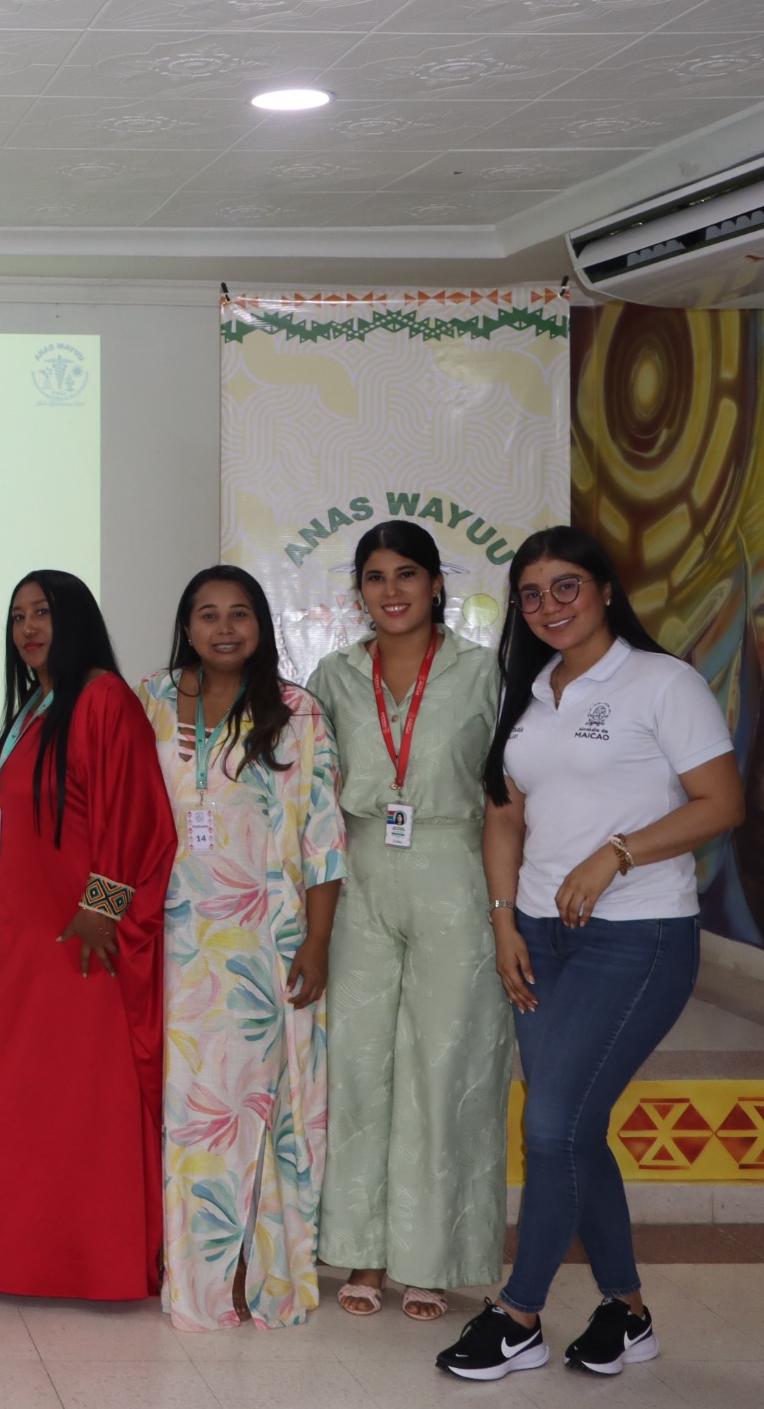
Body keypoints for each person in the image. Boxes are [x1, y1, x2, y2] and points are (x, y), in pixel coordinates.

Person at [437, 526, 743, 1383]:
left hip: (637, 938)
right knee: (572, 1127)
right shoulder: (530, 692)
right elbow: (504, 816)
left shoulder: (663, 682)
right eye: (532, 594)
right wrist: (504, 920)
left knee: (550, 1125)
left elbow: (721, 802)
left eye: (566, 586)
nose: (550, 606)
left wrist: (618, 854)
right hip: (539, 938)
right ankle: (627, 1311)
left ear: (606, 589)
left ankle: (518, 1315)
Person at [313, 521, 512, 1323]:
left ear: (435, 583)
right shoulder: (332, 677)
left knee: (442, 1066)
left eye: (406, 574)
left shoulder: (482, 673)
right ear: (357, 592)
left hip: (453, 869)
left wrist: (509, 909)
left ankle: (430, 1259)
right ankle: (360, 1251)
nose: (390, 591)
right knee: (358, 1065)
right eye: (374, 577)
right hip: (359, 870)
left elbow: (509, 796)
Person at [0, 569, 174, 1301]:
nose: (28, 627)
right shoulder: (32, 706)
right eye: (18, 616)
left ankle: (92, 1261)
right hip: (22, 935)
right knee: (19, 1099)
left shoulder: (104, 698)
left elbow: (138, 813)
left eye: (43, 612)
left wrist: (102, 907)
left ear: (75, 618)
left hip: (83, 939)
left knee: (82, 1103)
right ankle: (16, 1257)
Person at [141, 566, 344, 1331]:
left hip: (265, 944)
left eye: (239, 614)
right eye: (207, 614)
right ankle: (185, 1274)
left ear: (261, 624)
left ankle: (253, 1275)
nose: (224, 628)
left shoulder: (297, 711)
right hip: (171, 943)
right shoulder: (150, 700)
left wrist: (317, 942)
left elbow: (323, 836)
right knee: (184, 1111)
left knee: (255, 1106)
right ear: (186, 626)